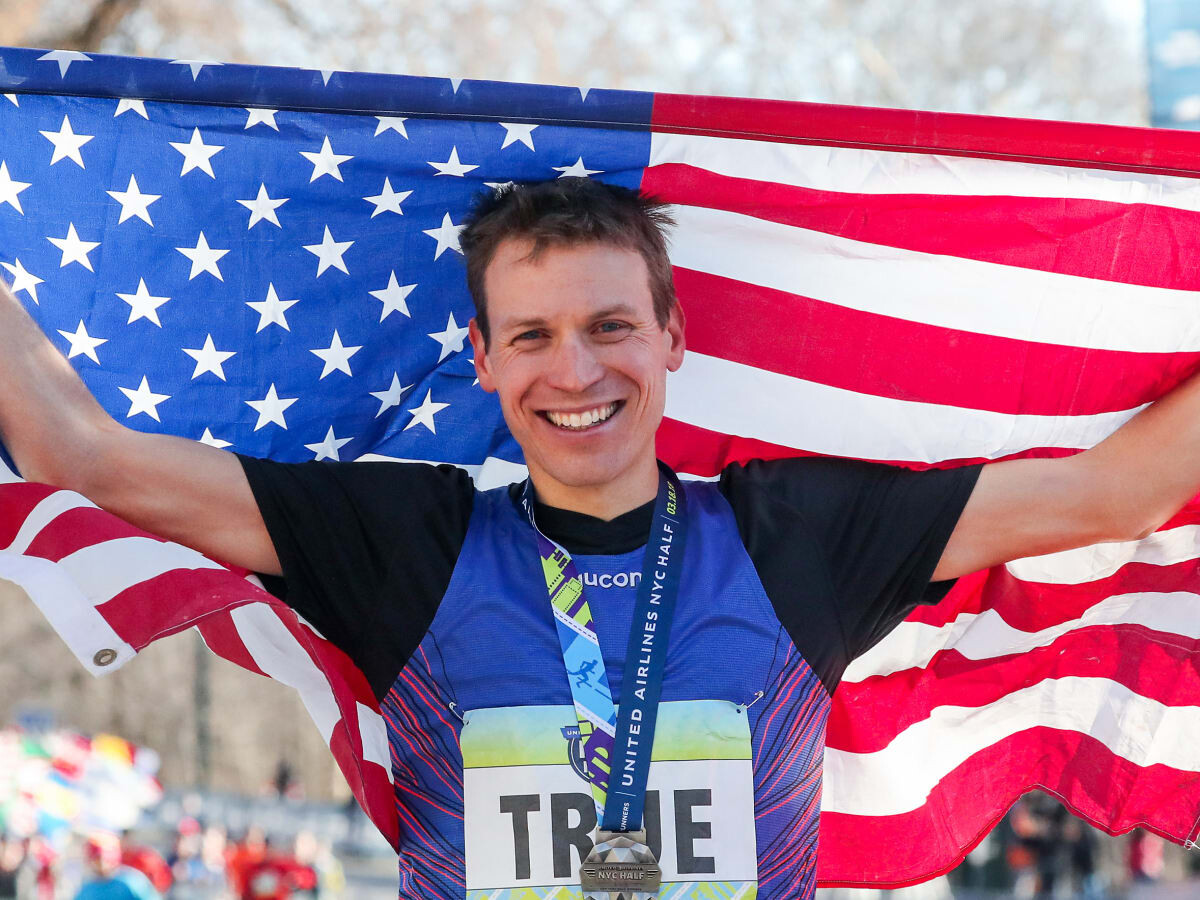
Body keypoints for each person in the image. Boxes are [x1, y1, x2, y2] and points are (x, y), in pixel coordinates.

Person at [3, 177, 1199, 899]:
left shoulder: (797, 537)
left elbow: (1113, 496)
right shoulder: (409, 543)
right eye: (531, 336)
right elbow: (84, 456)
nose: (575, 372)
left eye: (611, 326)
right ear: (483, 360)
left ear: (673, 337)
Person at [74, 835, 160, 900]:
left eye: (105, 859)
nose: (101, 864)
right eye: (96, 860)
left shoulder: (131, 881)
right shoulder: (88, 889)